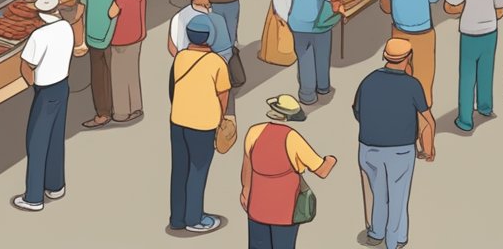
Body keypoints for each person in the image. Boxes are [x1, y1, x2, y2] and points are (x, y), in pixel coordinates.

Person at [354, 38, 436, 249]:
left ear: (385, 57)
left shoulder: (368, 80)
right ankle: (395, 240)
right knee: (398, 196)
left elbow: (357, 111)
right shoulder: (412, 84)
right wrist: (428, 149)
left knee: (378, 191)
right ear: (408, 58)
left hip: (368, 148)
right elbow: (428, 119)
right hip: (400, 150)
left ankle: (376, 232)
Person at [242, 96, 336, 249]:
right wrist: (331, 160)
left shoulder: (254, 131)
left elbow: (247, 166)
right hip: (285, 209)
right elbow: (322, 171)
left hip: (257, 206)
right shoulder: (292, 137)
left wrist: (246, 190)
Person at [168, 17, 230, 234]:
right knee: (198, 170)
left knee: (179, 169)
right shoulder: (217, 63)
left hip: (177, 121)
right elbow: (223, 96)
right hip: (203, 124)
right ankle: (194, 218)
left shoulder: (180, 57)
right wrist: (222, 120)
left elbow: (173, 89)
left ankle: (177, 217)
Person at [13, 0, 74, 212]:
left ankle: (33, 197)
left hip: (45, 91)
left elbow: (26, 65)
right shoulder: (66, 27)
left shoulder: (39, 35)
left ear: (39, 15)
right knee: (56, 137)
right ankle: (56, 185)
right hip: (62, 86)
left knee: (36, 142)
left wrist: (33, 86)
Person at [442, 0, 503, 132]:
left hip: (469, 32)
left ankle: (465, 119)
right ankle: (486, 107)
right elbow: (501, 5)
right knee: (486, 70)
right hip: (490, 31)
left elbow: (449, 3)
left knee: (467, 76)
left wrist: (465, 9)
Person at [382, 0, 443, 107]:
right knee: (423, 74)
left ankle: (400, 104)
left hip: (399, 28)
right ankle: (423, 107)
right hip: (422, 29)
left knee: (399, 71)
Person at [79, 0, 118, 129]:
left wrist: (74, 20)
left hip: (95, 31)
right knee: (113, 70)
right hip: (112, 27)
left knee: (98, 74)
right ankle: (118, 108)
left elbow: (83, 3)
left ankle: (103, 113)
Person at [109, 0, 146, 123]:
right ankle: (136, 106)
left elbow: (111, 13)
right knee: (132, 72)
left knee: (118, 75)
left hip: (121, 39)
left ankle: (122, 112)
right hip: (137, 36)